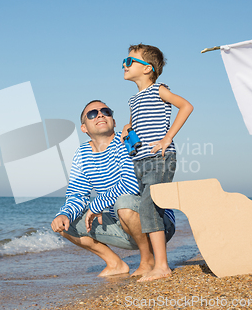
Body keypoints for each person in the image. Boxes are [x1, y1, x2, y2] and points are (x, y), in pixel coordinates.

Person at [51, 100, 175, 277]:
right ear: (84, 128)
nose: (100, 114)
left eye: (105, 111)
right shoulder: (81, 155)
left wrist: (96, 206)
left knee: (124, 203)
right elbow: (77, 194)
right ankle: (115, 263)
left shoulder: (126, 141)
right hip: (121, 222)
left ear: (114, 122)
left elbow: (131, 185)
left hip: (157, 224)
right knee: (65, 224)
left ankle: (148, 260)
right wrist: (64, 214)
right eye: (92, 114)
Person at [121, 43, 194, 282]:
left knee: (149, 208)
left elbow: (186, 106)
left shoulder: (159, 90)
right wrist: (127, 128)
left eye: (129, 61)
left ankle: (162, 266)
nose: (124, 64)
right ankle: (154, 262)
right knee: (148, 208)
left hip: (160, 159)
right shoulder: (133, 100)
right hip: (140, 161)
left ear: (147, 69)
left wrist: (167, 138)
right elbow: (137, 123)